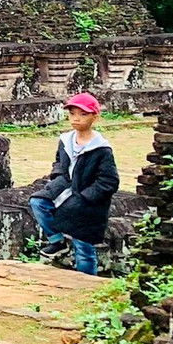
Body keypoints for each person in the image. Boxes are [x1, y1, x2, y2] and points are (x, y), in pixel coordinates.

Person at [29, 92, 118, 276]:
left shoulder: (101, 149)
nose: (76, 119)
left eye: (83, 114)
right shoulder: (66, 141)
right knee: (38, 202)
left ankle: (87, 284)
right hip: (66, 186)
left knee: (83, 246)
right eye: (72, 114)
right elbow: (59, 162)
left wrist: (85, 198)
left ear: (95, 117)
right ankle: (57, 240)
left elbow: (109, 181)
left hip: (88, 199)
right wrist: (58, 176)